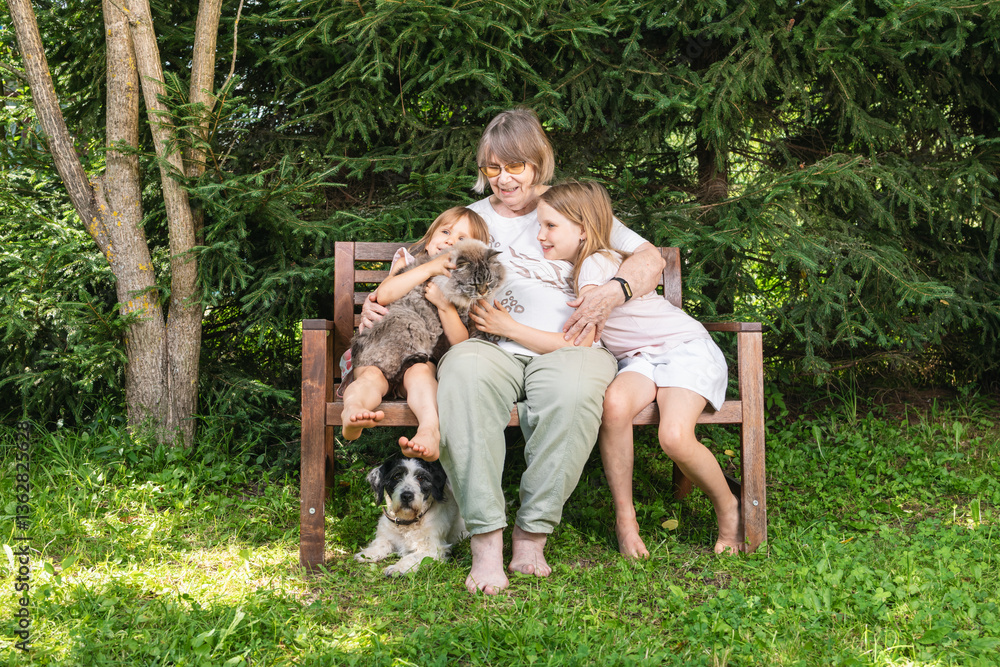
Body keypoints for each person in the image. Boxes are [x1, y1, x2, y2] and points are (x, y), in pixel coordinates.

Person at [380, 108, 665, 595]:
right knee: (463, 375)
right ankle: (486, 540)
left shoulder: (571, 208)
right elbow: (423, 260)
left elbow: (650, 257)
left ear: (538, 162)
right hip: (490, 344)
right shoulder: (476, 219)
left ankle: (532, 534)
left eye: (515, 166)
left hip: (571, 344)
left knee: (575, 393)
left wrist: (612, 291)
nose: (504, 178)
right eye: (492, 167)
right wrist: (377, 301)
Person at [526, 180, 743, 556]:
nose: (540, 235)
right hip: (640, 360)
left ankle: (729, 508)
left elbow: (584, 326)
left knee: (674, 437)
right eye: (539, 225)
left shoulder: (595, 262)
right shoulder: (580, 263)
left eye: (550, 226)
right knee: (614, 405)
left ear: (583, 230)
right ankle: (625, 519)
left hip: (683, 349)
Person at [341, 206, 490, 462]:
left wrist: (444, 306)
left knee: (421, 375)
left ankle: (429, 430)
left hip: (422, 358)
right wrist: (430, 268)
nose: (450, 241)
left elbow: (461, 343)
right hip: (380, 348)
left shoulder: (469, 289)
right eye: (445, 232)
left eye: (462, 239)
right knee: (370, 378)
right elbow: (384, 295)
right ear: (430, 239)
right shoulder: (408, 263)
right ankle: (353, 411)